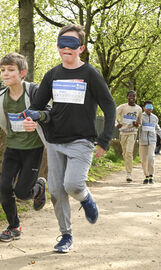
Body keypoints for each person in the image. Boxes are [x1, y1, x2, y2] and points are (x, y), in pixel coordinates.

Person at [22, 24, 116, 253]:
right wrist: (30, 119)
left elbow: (109, 105)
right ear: (57, 47)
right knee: (56, 190)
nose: (66, 48)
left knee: (73, 184)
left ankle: (85, 197)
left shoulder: (90, 74)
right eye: (62, 44)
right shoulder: (52, 75)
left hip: (81, 141)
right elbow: (36, 106)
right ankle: (66, 236)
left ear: (81, 48)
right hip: (55, 141)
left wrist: (104, 140)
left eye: (72, 44)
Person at [0, 53, 48, 242]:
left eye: (11, 70)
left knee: (21, 193)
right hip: (12, 148)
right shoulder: (2, 96)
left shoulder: (33, 91)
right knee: (3, 188)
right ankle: (14, 226)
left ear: (22, 73)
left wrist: (37, 120)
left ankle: (39, 188)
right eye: (3, 70)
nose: (5, 74)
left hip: (33, 149)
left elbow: (48, 112)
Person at [115, 90, 142, 182]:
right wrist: (116, 124)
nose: (132, 98)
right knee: (125, 153)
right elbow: (113, 114)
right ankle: (127, 167)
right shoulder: (123, 107)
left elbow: (140, 122)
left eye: (134, 96)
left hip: (132, 132)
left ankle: (129, 173)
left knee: (129, 153)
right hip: (123, 132)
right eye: (130, 96)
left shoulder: (138, 109)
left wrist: (137, 124)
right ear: (127, 97)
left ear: (136, 98)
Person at [139, 100, 161, 184]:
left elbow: (157, 127)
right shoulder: (140, 116)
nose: (149, 109)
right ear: (143, 108)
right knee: (143, 160)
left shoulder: (155, 117)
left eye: (151, 107)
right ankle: (146, 176)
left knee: (151, 157)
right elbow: (137, 127)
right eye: (147, 107)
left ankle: (151, 175)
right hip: (142, 141)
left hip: (152, 140)